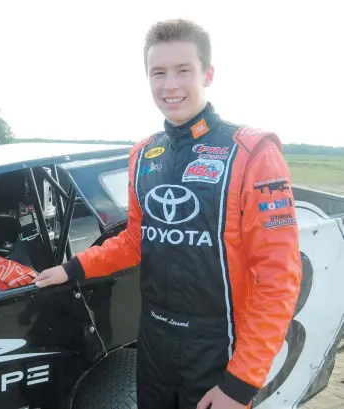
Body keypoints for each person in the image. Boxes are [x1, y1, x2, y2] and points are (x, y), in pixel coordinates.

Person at [33, 18, 302, 409]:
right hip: (154, 341)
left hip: (218, 346)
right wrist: (74, 268)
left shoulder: (252, 152)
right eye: (158, 72)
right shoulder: (143, 153)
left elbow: (279, 276)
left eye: (182, 70)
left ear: (207, 74)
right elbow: (135, 240)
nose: (169, 85)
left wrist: (241, 382)